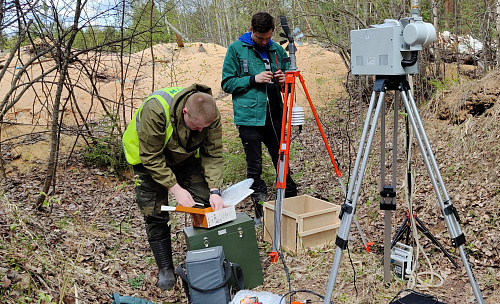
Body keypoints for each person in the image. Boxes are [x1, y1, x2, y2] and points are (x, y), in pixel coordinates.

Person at [122, 84, 224, 290]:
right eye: (196, 127)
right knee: (154, 211)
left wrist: (215, 190)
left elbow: (213, 153)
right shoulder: (156, 110)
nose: (201, 130)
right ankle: (165, 268)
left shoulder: (209, 113)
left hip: (183, 156)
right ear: (185, 112)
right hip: (146, 159)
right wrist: (176, 189)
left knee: (205, 202)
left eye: (204, 127)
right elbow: (151, 157)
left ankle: (206, 257)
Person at [221, 12, 297, 226]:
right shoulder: (236, 50)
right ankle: (260, 212)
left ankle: (291, 205)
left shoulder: (277, 49)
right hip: (249, 118)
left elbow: (290, 86)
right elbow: (227, 83)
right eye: (260, 38)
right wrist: (253, 79)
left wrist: (284, 80)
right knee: (254, 167)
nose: (264, 42)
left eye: (268, 38)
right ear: (251, 31)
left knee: (281, 160)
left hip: (275, 116)